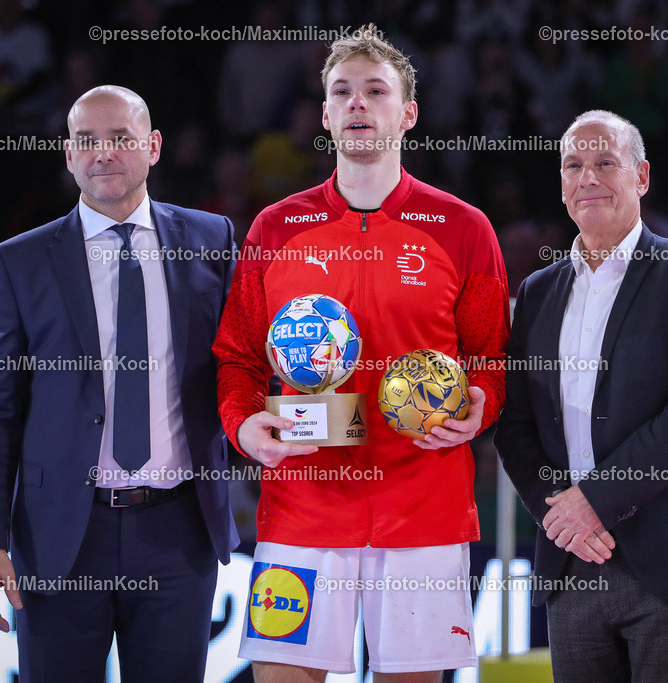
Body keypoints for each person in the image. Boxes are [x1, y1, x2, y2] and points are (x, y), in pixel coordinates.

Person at [213, 25, 510, 682]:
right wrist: (244, 424)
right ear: (323, 114)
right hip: (301, 504)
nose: (357, 104)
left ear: (406, 113)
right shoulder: (276, 227)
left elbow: (490, 356)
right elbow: (238, 357)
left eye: (375, 91)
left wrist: (480, 405)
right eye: (342, 91)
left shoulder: (463, 228)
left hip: (423, 503)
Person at [0, 85, 239, 682]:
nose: (104, 154)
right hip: (59, 535)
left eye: (121, 138)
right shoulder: (20, 260)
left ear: (154, 147)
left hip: (179, 531)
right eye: (88, 141)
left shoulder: (211, 240)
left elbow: (242, 366)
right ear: (69, 155)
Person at [495, 110, 668, 682]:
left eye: (605, 162)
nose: (587, 176)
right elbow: (514, 424)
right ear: (562, 186)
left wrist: (594, 502)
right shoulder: (536, 293)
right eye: (573, 165)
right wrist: (557, 513)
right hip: (572, 564)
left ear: (641, 176)